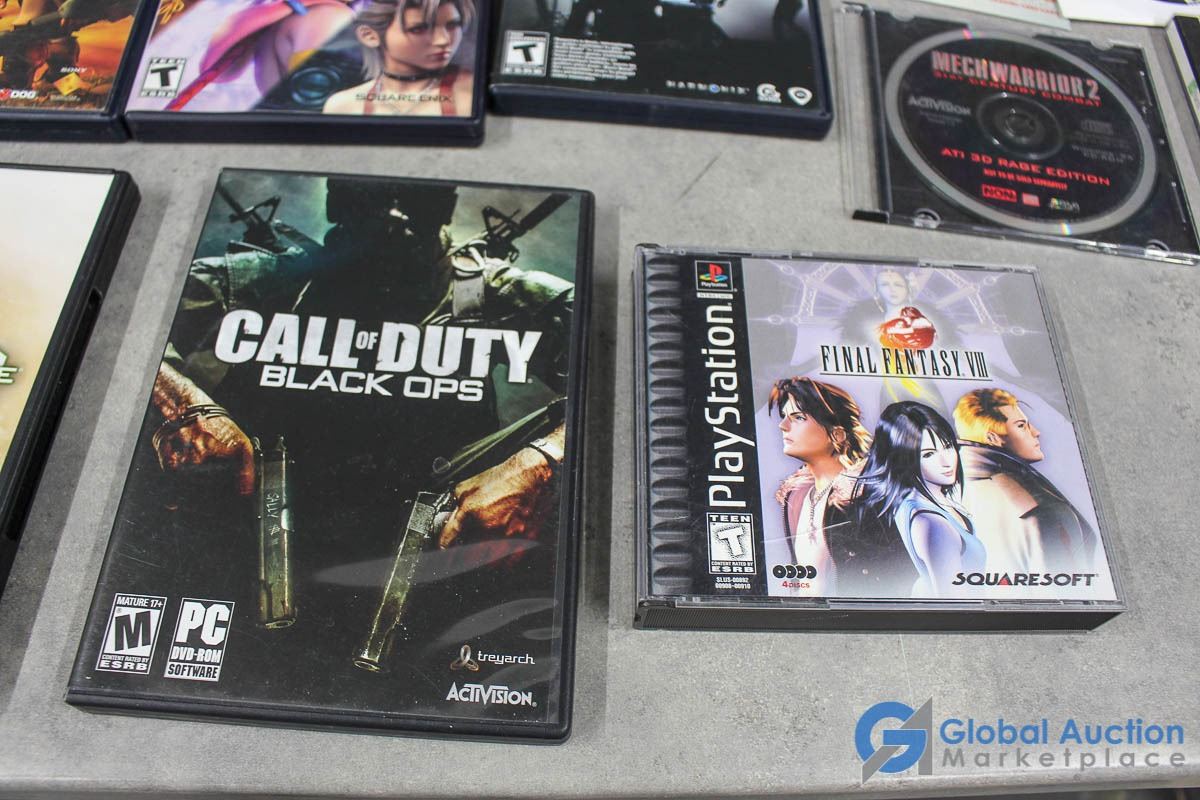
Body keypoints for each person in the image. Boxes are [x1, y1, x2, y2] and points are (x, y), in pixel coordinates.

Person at [145, 175, 574, 696]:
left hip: (431, 538)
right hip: (267, 521)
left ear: (446, 205)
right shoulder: (271, 277)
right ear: (336, 201)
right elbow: (130, 321)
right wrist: (182, 409)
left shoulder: (490, 290)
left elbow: (631, 365)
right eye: (372, 198)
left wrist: (541, 463)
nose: (393, 216)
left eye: (415, 199)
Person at [769, 377, 914, 597]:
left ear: (836, 434)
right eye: (784, 416)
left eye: (798, 418)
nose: (783, 426)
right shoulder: (795, 498)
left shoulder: (868, 499)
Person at [953, 388, 1098, 573]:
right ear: (993, 438)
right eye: (1022, 426)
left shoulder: (952, 492)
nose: (1036, 432)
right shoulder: (1039, 507)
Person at [855, 401, 985, 598]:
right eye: (929, 454)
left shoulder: (925, 503)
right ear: (904, 459)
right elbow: (952, 600)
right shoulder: (932, 523)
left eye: (948, 446)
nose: (946, 461)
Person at [322, 0, 473, 116]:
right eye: (419, 29)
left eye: (453, 25)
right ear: (369, 36)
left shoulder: (472, 94)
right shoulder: (344, 105)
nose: (443, 40)